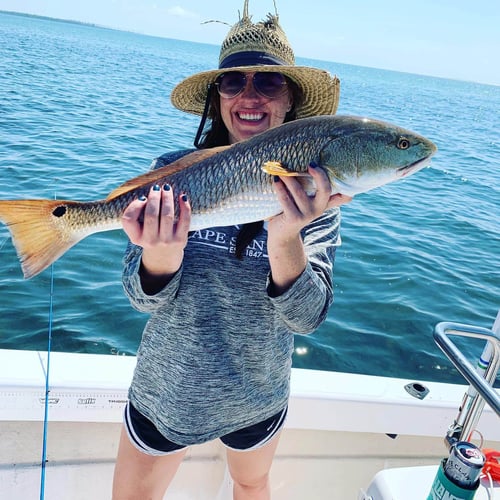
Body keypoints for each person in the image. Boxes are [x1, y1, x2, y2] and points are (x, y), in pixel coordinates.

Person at [112, 2, 351, 498]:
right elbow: (141, 300)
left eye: (268, 82)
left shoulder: (317, 196)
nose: (249, 96)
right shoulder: (173, 172)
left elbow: (306, 320)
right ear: (217, 96)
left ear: (290, 101)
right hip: (168, 390)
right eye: (233, 81)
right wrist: (161, 256)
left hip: (258, 392)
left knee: (253, 483)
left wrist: (285, 237)